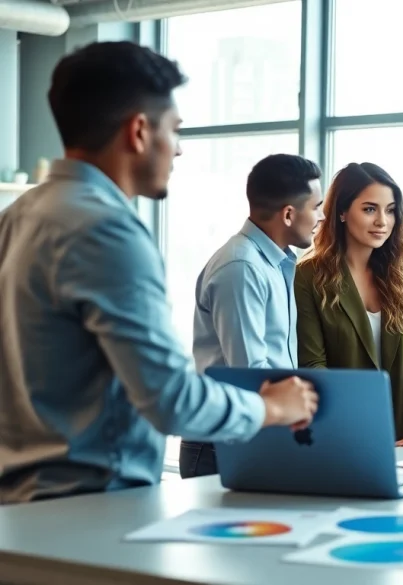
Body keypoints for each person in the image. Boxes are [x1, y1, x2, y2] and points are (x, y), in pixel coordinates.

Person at [0, 41, 317, 504]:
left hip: (22, 506)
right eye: (175, 130)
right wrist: (270, 407)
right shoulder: (107, 229)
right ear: (139, 132)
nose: (179, 150)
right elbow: (170, 398)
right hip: (91, 505)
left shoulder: (18, 216)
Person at [179, 154, 325, 479]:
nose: (322, 216)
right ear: (289, 214)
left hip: (255, 434)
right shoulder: (242, 268)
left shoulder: (274, 264)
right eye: (316, 207)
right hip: (220, 445)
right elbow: (251, 374)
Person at [295, 162, 403, 444]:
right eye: (369, 209)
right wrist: (352, 418)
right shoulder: (309, 275)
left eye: (390, 210)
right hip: (343, 429)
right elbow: (313, 363)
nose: (382, 222)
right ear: (341, 211)